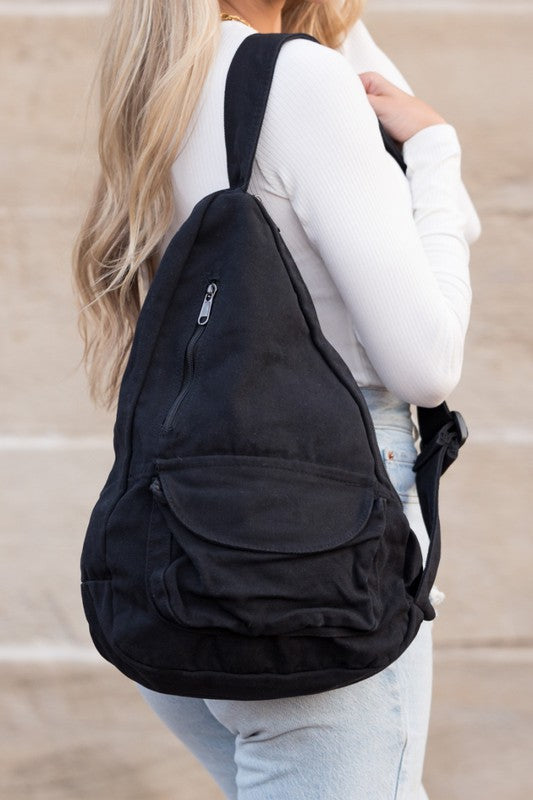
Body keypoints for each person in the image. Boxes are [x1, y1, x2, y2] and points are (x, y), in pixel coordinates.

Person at [72, 1, 480, 798]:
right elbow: (426, 363)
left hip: (190, 555)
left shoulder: (169, 74)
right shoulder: (298, 77)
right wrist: (434, 149)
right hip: (307, 558)